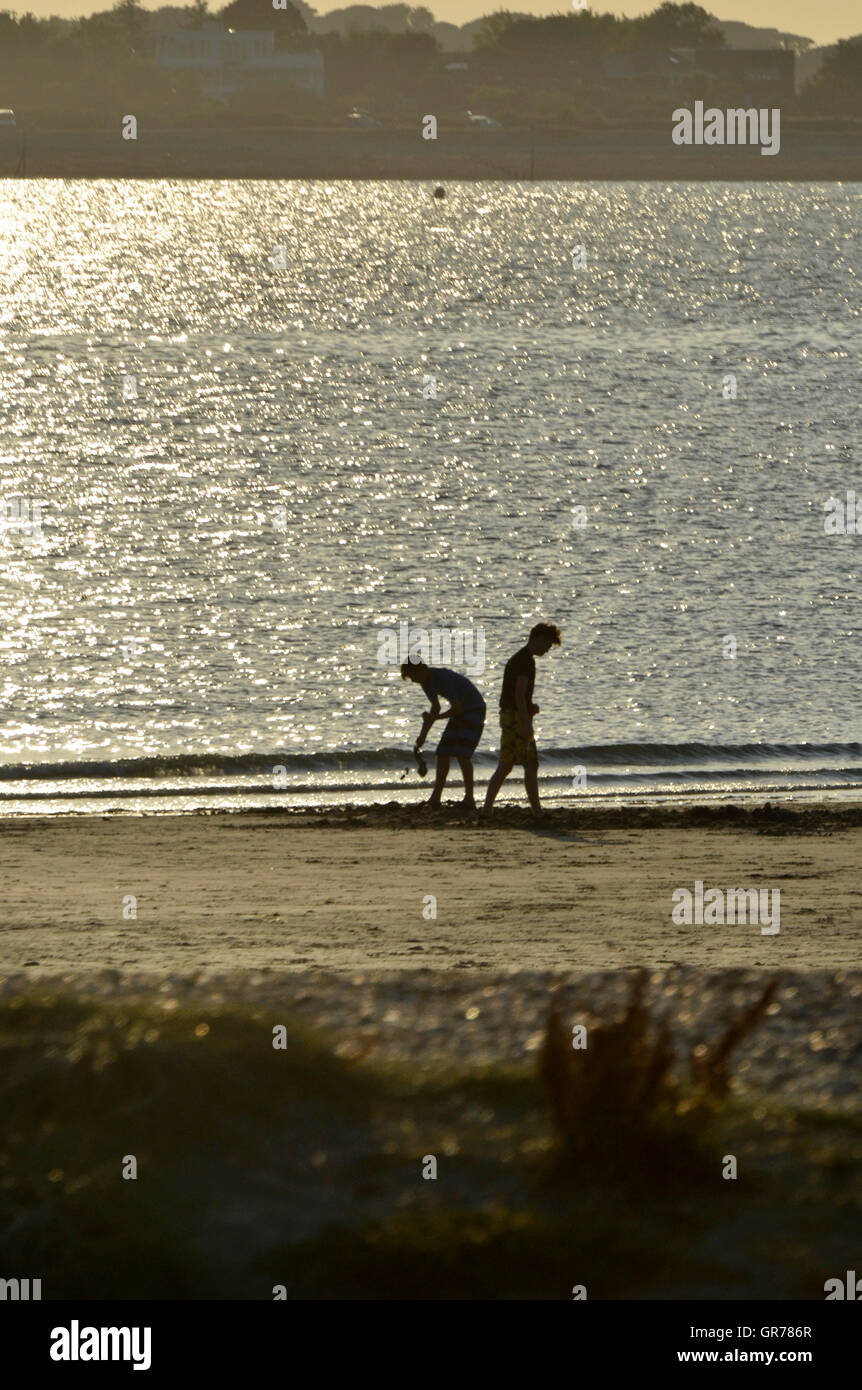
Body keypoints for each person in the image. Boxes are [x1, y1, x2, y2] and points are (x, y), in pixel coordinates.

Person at [482, 622, 561, 818]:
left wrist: (529, 707)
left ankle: (487, 808)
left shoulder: (519, 658)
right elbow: (519, 694)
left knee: (506, 765)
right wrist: (526, 722)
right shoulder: (525, 661)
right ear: (539, 639)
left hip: (510, 714)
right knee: (530, 763)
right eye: (548, 645)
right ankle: (537, 812)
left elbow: (517, 694)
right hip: (516, 717)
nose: (547, 650)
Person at [401, 661, 486, 811]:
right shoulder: (425, 682)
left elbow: (456, 707)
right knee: (442, 753)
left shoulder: (440, 677)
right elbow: (435, 708)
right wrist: (422, 737)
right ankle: (435, 798)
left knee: (462, 755)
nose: (413, 681)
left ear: (422, 669)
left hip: (474, 708)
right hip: (460, 711)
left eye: (413, 676)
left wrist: (436, 718)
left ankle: (469, 798)